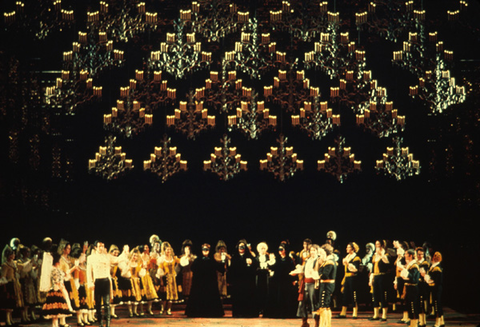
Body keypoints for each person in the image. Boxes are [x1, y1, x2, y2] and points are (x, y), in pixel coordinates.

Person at [86, 241, 127, 327]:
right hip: (97, 281)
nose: (101, 248)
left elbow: (117, 260)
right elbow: (88, 271)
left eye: (103, 246)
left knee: (107, 304)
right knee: (98, 304)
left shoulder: (107, 257)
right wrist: (90, 282)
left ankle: (107, 324)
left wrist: (125, 252)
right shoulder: (91, 257)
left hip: (106, 281)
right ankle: (100, 323)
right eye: (99, 246)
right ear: (96, 247)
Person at [184, 243, 225, 317]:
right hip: (199, 284)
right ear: (201, 250)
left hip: (210, 284)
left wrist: (223, 261)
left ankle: (211, 312)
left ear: (209, 250)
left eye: (207, 249)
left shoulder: (212, 260)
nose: (205, 251)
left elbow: (220, 268)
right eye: (204, 249)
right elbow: (192, 268)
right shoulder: (198, 260)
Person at [264, 241, 297, 318]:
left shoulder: (289, 259)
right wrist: (268, 266)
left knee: (286, 296)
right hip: (277, 280)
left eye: (281, 249)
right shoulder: (277, 259)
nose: (280, 251)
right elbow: (274, 267)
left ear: (285, 250)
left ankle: (286, 313)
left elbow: (292, 269)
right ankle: (277, 313)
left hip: (286, 280)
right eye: (279, 250)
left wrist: (294, 280)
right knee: (277, 296)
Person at [290, 243, 321, 327]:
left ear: (317, 251)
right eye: (311, 250)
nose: (312, 252)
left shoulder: (318, 260)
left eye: (314, 250)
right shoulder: (307, 260)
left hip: (313, 283)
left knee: (314, 303)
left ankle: (317, 323)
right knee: (302, 303)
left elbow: (319, 273)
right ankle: (304, 322)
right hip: (305, 283)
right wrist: (295, 272)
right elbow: (303, 270)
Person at [41, 248, 73, 327]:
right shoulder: (54, 269)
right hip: (56, 290)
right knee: (55, 313)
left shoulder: (56, 269)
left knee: (56, 314)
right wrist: (62, 288)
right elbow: (57, 281)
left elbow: (64, 275)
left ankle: (56, 325)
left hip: (58, 289)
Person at [229, 239, 259, 318]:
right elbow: (231, 269)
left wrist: (252, 263)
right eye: (240, 247)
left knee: (248, 297)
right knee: (238, 297)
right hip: (238, 281)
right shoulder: (234, 257)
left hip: (248, 281)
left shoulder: (249, 256)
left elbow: (256, 265)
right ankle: (238, 313)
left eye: (243, 247)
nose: (241, 248)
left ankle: (248, 313)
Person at [0, 244, 24, 326]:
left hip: (14, 284)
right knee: (8, 303)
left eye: (13, 254)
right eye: (11, 254)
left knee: (13, 303)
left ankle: (10, 319)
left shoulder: (14, 264)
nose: (13, 255)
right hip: (9, 285)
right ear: (8, 255)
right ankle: (7, 320)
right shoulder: (5, 265)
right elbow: (3, 276)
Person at [337, 242, 361, 319]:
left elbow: (355, 269)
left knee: (353, 295)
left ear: (353, 249)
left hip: (353, 278)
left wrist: (348, 264)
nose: (346, 248)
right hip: (347, 278)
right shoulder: (347, 257)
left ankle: (355, 312)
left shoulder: (356, 258)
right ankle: (343, 312)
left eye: (348, 247)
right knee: (345, 295)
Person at [316, 244, 337, 327]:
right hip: (326, 285)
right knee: (326, 305)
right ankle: (326, 324)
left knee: (324, 305)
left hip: (326, 285)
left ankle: (324, 325)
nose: (320, 255)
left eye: (321, 252)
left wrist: (318, 273)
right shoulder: (328, 261)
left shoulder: (329, 262)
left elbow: (324, 275)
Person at [156, 242, 180, 315]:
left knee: (171, 295)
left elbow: (180, 264)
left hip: (172, 278)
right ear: (165, 251)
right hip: (165, 278)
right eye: (167, 250)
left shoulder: (174, 258)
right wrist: (161, 280)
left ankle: (169, 309)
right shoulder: (162, 260)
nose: (168, 251)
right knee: (164, 294)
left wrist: (175, 272)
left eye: (169, 249)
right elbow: (160, 270)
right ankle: (162, 308)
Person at [369, 240, 390, 321]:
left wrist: (382, 255)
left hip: (383, 277)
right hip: (376, 277)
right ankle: (376, 315)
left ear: (382, 245)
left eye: (378, 244)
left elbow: (387, 263)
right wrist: (371, 279)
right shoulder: (374, 255)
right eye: (376, 244)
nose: (377, 246)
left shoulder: (386, 254)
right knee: (375, 295)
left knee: (383, 295)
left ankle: (384, 315)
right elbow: (373, 268)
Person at [399, 249, 420, 327]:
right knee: (409, 306)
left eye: (406, 254)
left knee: (413, 306)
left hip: (413, 288)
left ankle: (414, 324)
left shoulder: (414, 266)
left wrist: (404, 270)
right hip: (408, 287)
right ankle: (412, 323)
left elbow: (413, 279)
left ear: (410, 255)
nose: (404, 256)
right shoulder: (409, 265)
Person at [424, 252, 444, 327]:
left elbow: (437, 280)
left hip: (436, 288)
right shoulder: (434, 266)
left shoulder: (437, 268)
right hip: (434, 288)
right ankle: (442, 321)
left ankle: (438, 322)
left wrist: (429, 280)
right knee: (437, 304)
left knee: (436, 304)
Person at [255, 242, 273, 316]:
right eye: (261, 248)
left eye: (264, 248)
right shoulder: (256, 258)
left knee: (266, 292)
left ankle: (265, 309)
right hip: (259, 276)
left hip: (266, 276)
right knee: (258, 292)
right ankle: (259, 309)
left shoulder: (268, 257)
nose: (263, 250)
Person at [416, 247, 431, 327]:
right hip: (416, 285)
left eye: (421, 254)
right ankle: (419, 320)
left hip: (423, 285)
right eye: (418, 254)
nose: (419, 256)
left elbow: (424, 274)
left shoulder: (425, 263)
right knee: (418, 304)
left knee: (422, 304)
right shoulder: (415, 262)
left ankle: (423, 321)